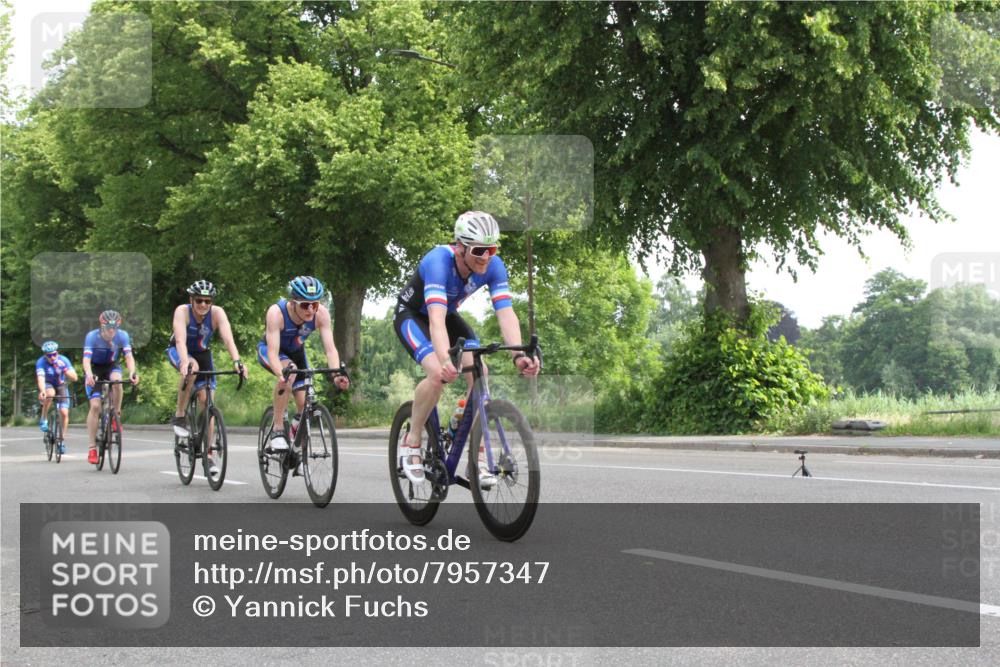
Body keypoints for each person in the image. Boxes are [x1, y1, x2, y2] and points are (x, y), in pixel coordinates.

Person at [393, 211, 541, 484]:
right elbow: (435, 320)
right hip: (413, 317)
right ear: (460, 247)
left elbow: (506, 313)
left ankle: (479, 455)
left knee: (480, 372)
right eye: (479, 250)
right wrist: (444, 360)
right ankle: (412, 438)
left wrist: (518, 354)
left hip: (446, 315)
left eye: (491, 249)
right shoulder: (438, 261)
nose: (486, 256)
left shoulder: (494, 266)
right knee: (438, 373)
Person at [257, 276, 350, 455]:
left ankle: (292, 439)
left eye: (314, 304)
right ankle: (277, 429)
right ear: (293, 303)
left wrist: (336, 375)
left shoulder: (321, 314)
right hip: (272, 351)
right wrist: (281, 375)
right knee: (289, 374)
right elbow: (273, 353)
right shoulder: (276, 313)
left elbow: (330, 350)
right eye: (305, 305)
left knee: (303, 404)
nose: (310, 310)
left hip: (297, 353)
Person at [167, 280, 247, 478]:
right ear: (191, 300)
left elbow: (228, 339)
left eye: (207, 301)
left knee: (207, 402)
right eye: (199, 300)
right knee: (192, 369)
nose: (203, 305)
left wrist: (237, 361)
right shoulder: (182, 312)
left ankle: (208, 453)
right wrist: (185, 362)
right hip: (180, 351)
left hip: (203, 353)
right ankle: (179, 415)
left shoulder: (217, 313)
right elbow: (179, 341)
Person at [82, 310, 139, 464]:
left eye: (115, 327)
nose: (112, 331)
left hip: (111, 366)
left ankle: (116, 414)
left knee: (117, 381)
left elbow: (128, 357)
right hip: (94, 368)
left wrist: (133, 372)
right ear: (102, 326)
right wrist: (88, 375)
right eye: (109, 327)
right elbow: (86, 360)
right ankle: (92, 448)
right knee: (95, 406)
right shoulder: (92, 337)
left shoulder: (123, 336)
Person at [35, 340, 78, 455]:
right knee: (50, 394)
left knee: (64, 413)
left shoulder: (63, 360)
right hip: (48, 384)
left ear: (57, 353)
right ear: (45, 356)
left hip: (61, 385)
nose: (52, 357)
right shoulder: (41, 363)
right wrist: (42, 391)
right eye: (50, 355)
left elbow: (75, 378)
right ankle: (44, 417)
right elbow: (41, 379)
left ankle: (61, 441)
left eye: (54, 354)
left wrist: (63, 369)